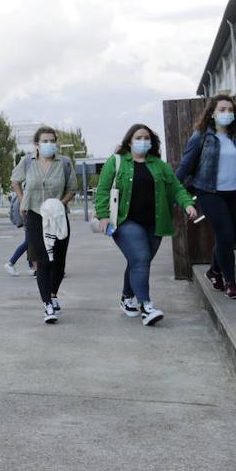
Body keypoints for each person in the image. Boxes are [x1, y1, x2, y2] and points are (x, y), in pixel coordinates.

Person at [96, 123, 199, 326]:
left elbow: (176, 188)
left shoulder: (158, 165)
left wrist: (188, 204)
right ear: (129, 141)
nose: (143, 141)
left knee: (139, 262)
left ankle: (127, 298)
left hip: (154, 224)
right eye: (138, 138)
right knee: (141, 258)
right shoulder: (116, 162)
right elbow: (102, 190)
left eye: (146, 138)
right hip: (126, 222)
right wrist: (103, 215)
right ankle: (146, 307)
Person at [175, 94, 236, 300]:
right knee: (224, 234)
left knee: (230, 237)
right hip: (209, 193)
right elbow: (185, 166)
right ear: (212, 114)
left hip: (235, 193)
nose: (227, 113)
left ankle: (213, 271)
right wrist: (171, 191)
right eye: (222, 110)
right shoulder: (201, 136)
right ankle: (230, 283)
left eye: (230, 110)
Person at [10, 126, 77, 323]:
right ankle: (47, 305)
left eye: (52, 141)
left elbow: (72, 188)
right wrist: (23, 199)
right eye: (44, 141)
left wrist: (59, 203)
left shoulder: (64, 162)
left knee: (58, 263)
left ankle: (53, 294)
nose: (49, 145)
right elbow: (15, 181)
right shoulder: (27, 162)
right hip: (35, 216)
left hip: (57, 217)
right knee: (42, 261)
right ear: (37, 144)